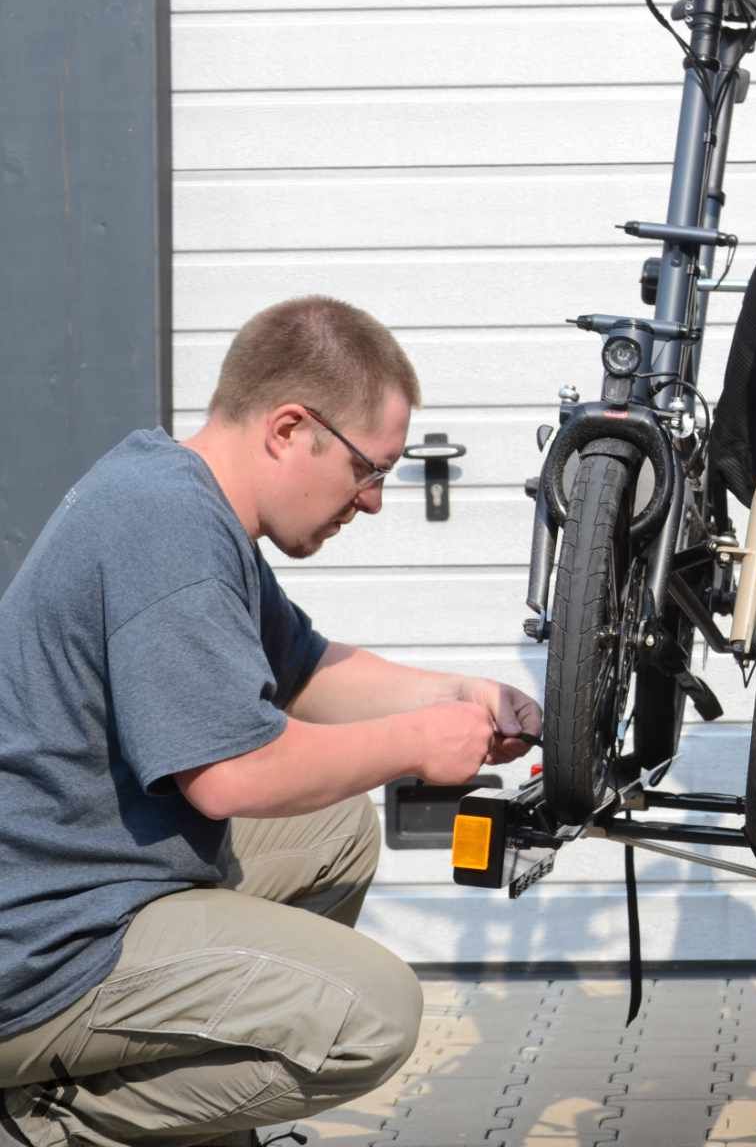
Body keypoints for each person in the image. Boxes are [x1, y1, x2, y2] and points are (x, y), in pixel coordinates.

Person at [0, 296, 542, 1146]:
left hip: (94, 881)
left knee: (337, 828)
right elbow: (232, 776)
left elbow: (306, 671)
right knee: (373, 1015)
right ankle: (44, 1122)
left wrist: (459, 696)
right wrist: (414, 743)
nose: (371, 503)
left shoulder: (180, 496)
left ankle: (196, 1114)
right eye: (369, 470)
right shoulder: (166, 527)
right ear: (290, 429)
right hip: (42, 946)